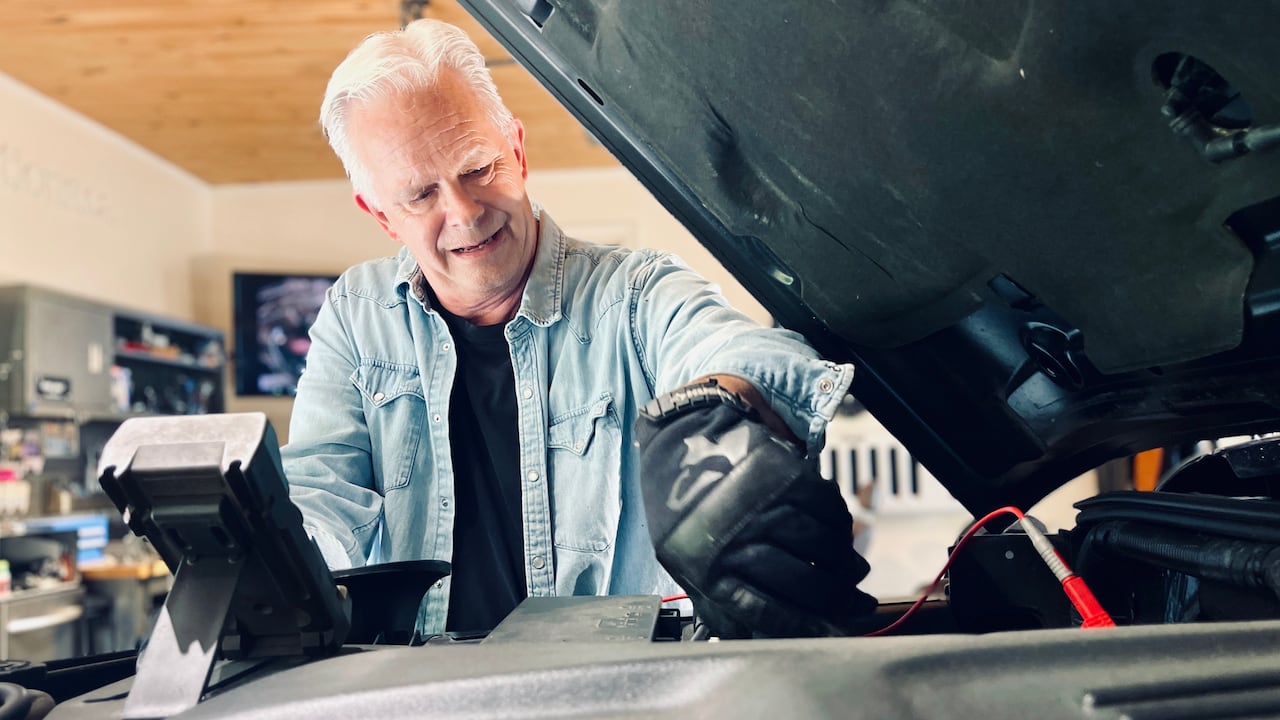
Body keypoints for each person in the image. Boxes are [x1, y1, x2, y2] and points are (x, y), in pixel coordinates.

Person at [284, 18, 875, 639]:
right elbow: (319, 491)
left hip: (614, 695)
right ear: (380, 215)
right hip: (422, 698)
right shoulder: (356, 315)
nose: (463, 213)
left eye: (478, 168)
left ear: (516, 150)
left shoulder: (634, 293)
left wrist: (718, 414)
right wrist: (266, 556)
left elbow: (735, 348)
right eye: (419, 195)